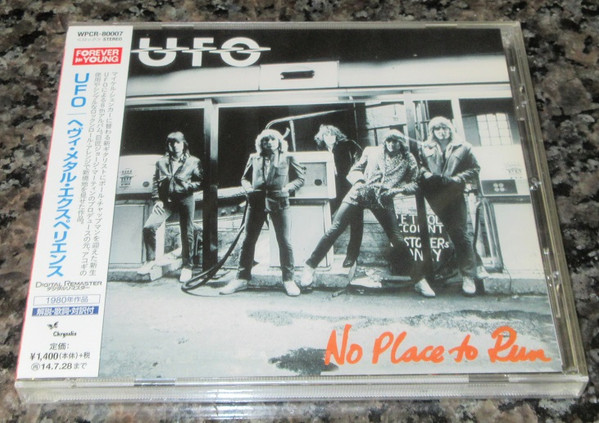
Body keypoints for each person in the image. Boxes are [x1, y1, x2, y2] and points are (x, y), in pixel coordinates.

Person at [301, 129, 434, 297]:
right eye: (389, 141)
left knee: (397, 238)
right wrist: (360, 182)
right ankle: (310, 267)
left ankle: (419, 280)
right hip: (359, 193)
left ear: (401, 143)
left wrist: (396, 190)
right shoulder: (371, 151)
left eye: (396, 141)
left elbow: (414, 183)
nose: (391, 145)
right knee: (335, 229)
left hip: (383, 198)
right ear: (384, 141)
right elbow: (354, 170)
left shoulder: (408, 159)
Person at [220, 129, 305, 296]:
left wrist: (288, 188)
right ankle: (242, 278)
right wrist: (248, 189)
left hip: (279, 202)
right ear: (261, 143)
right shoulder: (254, 158)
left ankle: (288, 280)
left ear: (279, 142)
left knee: (284, 241)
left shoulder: (288, 157)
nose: (269, 143)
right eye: (265, 140)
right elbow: (244, 178)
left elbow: (300, 178)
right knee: (248, 240)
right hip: (256, 203)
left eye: (273, 139)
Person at [419, 116, 480, 296]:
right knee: (453, 232)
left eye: (444, 128)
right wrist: (426, 173)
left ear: (450, 129)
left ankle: (468, 276)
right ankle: (475, 266)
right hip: (434, 194)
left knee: (459, 232)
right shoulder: (426, 147)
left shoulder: (464, 147)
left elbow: (475, 169)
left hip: (454, 192)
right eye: (437, 129)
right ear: (433, 131)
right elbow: (420, 166)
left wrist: (457, 178)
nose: (442, 132)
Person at [138, 131, 203, 283]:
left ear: (183, 144)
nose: (175, 146)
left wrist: (187, 186)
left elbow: (201, 181)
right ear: (168, 145)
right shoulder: (161, 162)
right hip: (166, 201)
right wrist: (157, 200)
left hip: (185, 199)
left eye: (178, 142)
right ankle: (150, 260)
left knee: (187, 232)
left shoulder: (193, 161)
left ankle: (187, 266)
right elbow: (156, 181)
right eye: (171, 143)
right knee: (149, 227)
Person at [314, 125, 364, 267]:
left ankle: (352, 255)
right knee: (325, 217)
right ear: (322, 137)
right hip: (332, 189)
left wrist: (358, 179)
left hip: (350, 186)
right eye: (326, 135)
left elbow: (361, 160)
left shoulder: (348, 145)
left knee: (356, 220)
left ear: (337, 135)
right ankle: (322, 252)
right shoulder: (320, 150)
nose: (329, 137)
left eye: (332, 134)